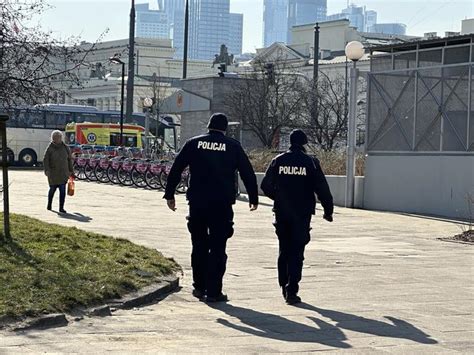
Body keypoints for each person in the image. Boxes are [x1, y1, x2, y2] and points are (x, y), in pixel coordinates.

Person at [164, 113, 259, 303]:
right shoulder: (233, 146)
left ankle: (199, 287)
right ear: (225, 129)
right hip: (222, 204)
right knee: (217, 247)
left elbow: (176, 168)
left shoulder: (194, 143)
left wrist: (170, 194)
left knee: (198, 245)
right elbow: (247, 173)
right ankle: (214, 292)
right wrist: (253, 197)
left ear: (208, 126)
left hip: (198, 202)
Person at [261, 129, 334, 305]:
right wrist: (328, 211)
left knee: (284, 249)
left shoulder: (278, 161)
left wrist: (278, 198)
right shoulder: (311, 162)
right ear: (304, 143)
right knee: (297, 251)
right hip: (302, 214)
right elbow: (322, 188)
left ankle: (283, 284)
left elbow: (265, 185)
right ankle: (292, 289)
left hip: (282, 212)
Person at [43, 130, 74, 213]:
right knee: (52, 189)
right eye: (55, 137)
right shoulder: (50, 148)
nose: (56, 139)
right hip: (53, 173)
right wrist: (46, 170)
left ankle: (61, 207)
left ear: (61, 138)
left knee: (62, 191)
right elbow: (46, 160)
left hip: (63, 173)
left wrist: (71, 171)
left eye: (58, 137)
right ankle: (49, 204)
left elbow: (69, 159)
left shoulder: (65, 147)